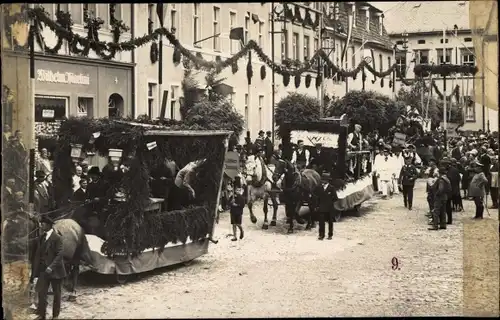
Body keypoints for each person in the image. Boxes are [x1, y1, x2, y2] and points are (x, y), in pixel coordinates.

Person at [32, 215, 66, 320]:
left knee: (57, 294)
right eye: (41, 223)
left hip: (56, 271)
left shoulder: (57, 238)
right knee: (41, 293)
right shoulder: (41, 237)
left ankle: (55, 315)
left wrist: (51, 267)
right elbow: (38, 255)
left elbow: (59, 255)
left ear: (49, 225)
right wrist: (35, 272)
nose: (41, 225)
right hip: (43, 270)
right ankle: (42, 315)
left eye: (43, 223)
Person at [429, 159, 451, 230]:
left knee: (436, 211)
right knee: (443, 211)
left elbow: (440, 189)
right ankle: (443, 224)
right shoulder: (447, 179)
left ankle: (435, 225)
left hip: (439, 197)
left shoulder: (441, 179)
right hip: (445, 197)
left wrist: (437, 194)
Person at [316, 175, 338, 240]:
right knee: (321, 222)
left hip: (329, 208)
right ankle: (321, 235)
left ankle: (330, 235)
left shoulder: (331, 188)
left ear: (327, 181)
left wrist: (330, 202)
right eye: (322, 180)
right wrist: (318, 205)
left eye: (324, 180)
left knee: (330, 222)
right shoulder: (320, 188)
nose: (322, 181)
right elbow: (317, 197)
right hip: (321, 208)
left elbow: (335, 198)